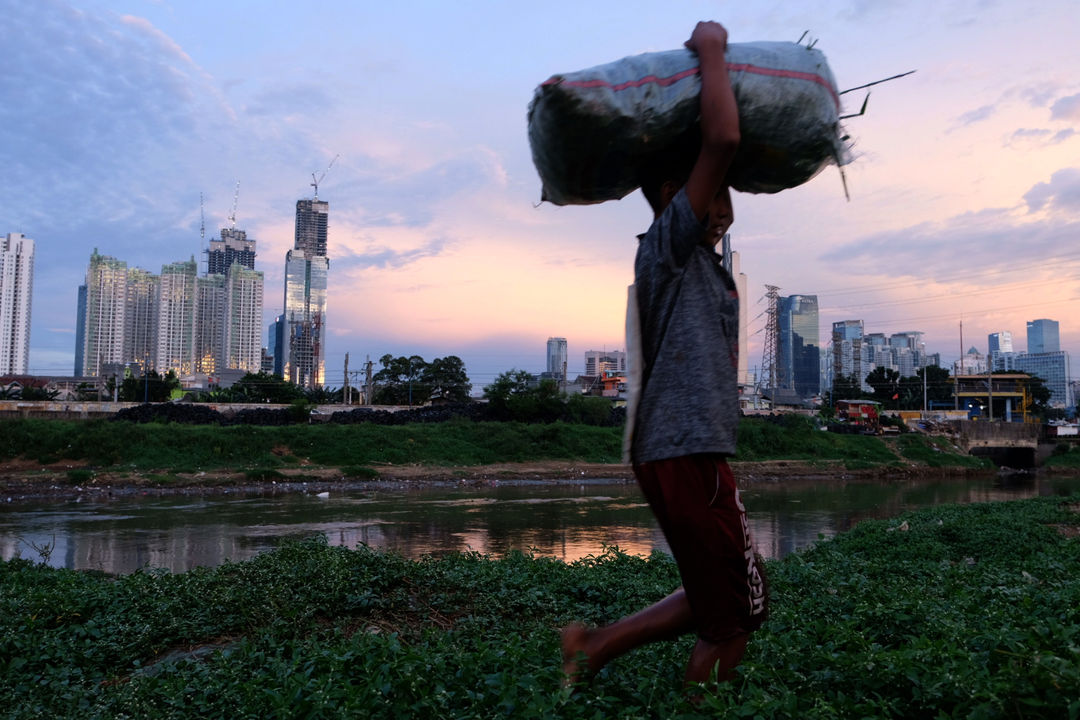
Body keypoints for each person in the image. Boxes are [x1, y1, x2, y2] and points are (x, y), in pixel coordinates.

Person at [561, 20, 767, 691]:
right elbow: (725, 137)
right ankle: (697, 701)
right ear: (676, 192)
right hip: (687, 451)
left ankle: (592, 648)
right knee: (734, 618)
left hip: (680, 451)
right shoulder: (670, 242)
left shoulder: (688, 257)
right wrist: (712, 51)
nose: (725, 190)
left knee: (729, 592)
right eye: (715, 182)